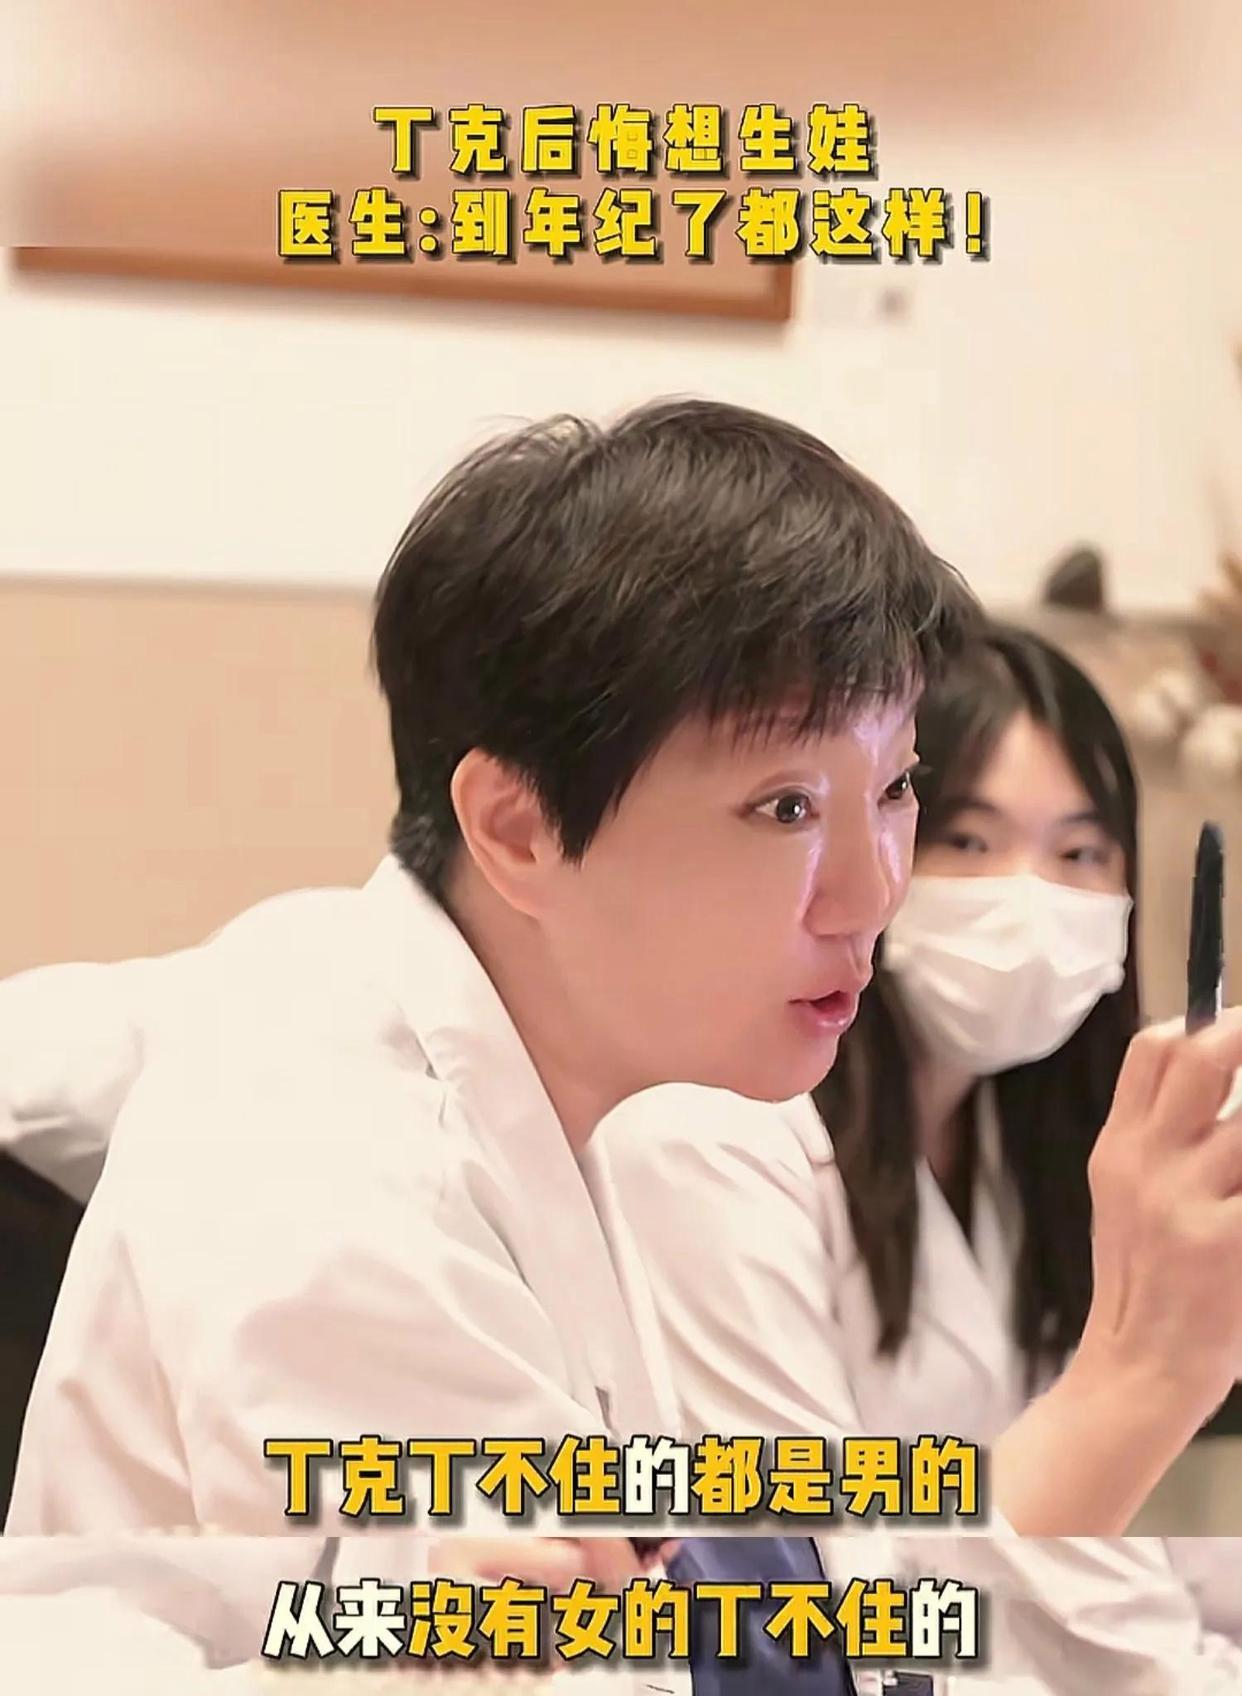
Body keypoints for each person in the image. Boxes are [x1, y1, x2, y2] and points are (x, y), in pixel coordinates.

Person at [7, 402, 1242, 1551]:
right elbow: (725, 1653)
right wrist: (1142, 1375)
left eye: (897, 787)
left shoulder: (558, 1082)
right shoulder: (335, 1169)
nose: (874, 894)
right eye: (785, 806)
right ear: (519, 828)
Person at [594, 623, 1242, 1690]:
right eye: (972, 844)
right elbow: (819, 1619)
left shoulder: (1031, 1156)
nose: (1030, 899)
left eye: (1082, 854)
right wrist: (1142, 1376)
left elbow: (1100, 1573)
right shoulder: (709, 1140)